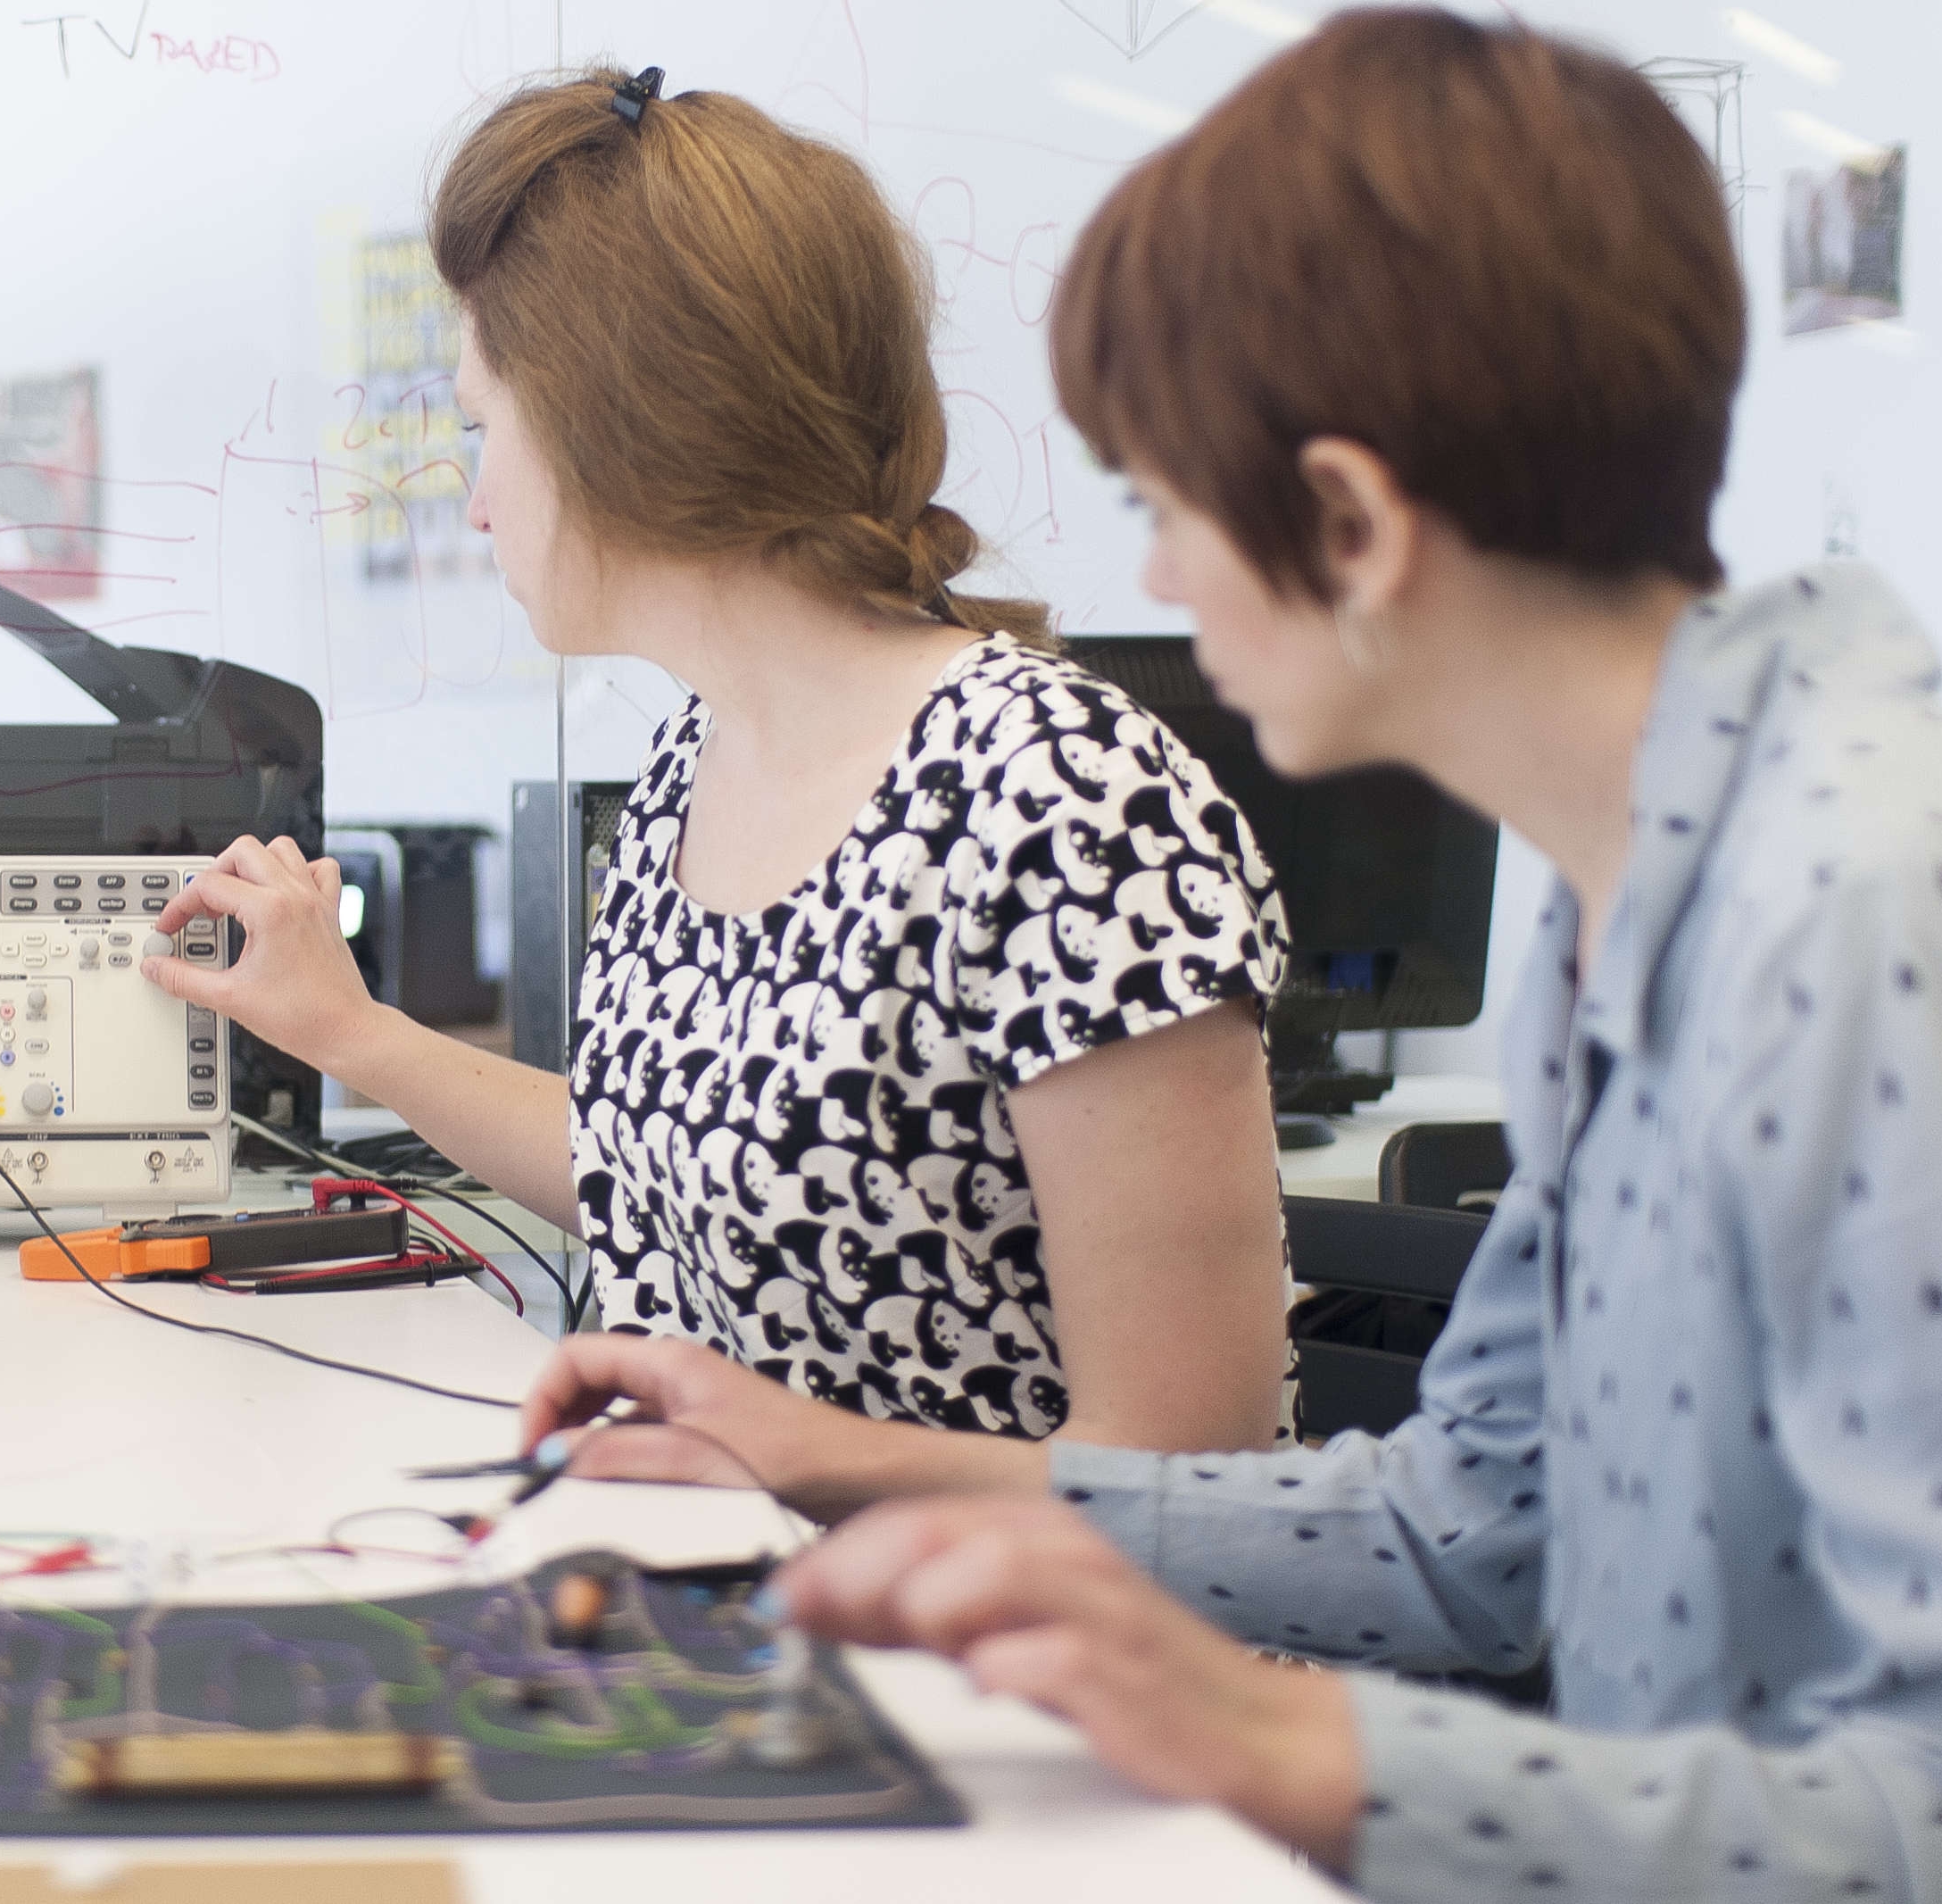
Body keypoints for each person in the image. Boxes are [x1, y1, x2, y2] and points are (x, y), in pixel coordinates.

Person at [512, 12, 1942, 1899]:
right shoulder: (1635, 893)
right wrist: (845, 1459)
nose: (1159, 583)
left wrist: (1287, 1746)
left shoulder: (1855, 920)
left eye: (1163, 505)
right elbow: (1474, 1529)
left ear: (1348, 520)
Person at [145, 70, 1292, 1457]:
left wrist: (779, 1462)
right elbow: (662, 1175)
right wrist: (351, 1031)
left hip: (966, 1604)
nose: (476, 499)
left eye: (481, 428)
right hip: (722, 1566)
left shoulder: (1065, 801)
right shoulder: (694, 760)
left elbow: (1194, 1480)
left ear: (618, 422)